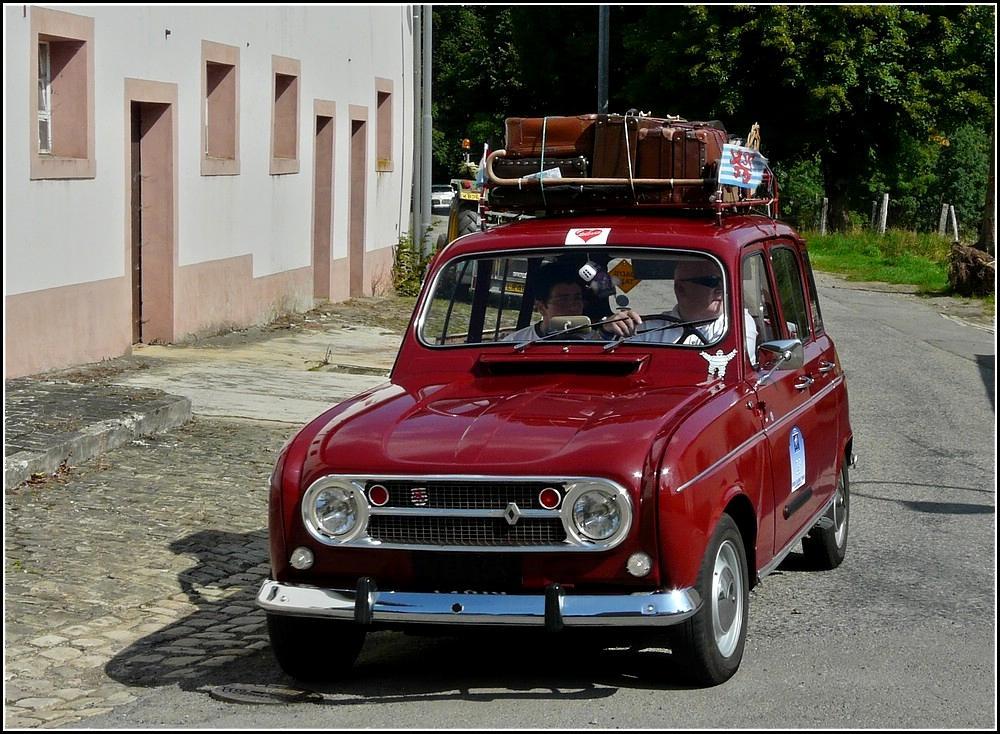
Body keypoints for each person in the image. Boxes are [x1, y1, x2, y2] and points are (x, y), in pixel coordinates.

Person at [632, 259, 758, 362]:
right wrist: (614, 329)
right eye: (712, 281)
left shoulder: (738, 323)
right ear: (681, 289)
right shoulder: (649, 328)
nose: (721, 288)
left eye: (723, 281)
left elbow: (728, 368)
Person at [503, 261, 642, 341]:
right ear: (541, 307)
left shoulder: (599, 341)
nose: (573, 307)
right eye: (563, 300)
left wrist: (608, 329)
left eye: (577, 298)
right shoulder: (515, 343)